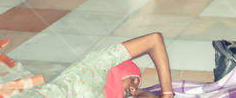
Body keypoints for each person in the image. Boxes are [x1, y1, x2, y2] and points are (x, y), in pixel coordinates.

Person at [15, 32, 174, 98]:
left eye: (135, 86)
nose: (133, 88)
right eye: (133, 80)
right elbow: (154, 39)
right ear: (116, 68)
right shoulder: (96, 66)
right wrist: (167, 93)